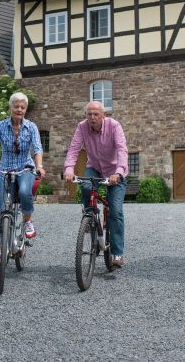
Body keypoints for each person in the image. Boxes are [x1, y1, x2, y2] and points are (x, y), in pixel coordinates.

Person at [0, 92, 46, 265]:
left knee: (24, 192)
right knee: (3, 210)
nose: (19, 110)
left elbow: (37, 148)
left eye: (22, 107)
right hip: (5, 170)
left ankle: (28, 221)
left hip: (25, 168)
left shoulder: (31, 127)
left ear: (25, 109)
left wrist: (39, 166)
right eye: (16, 107)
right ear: (10, 108)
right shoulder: (0, 126)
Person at [63, 101, 129, 268]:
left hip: (115, 171)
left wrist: (119, 172)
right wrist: (69, 169)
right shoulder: (82, 127)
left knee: (115, 211)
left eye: (96, 114)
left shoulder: (114, 126)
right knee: (86, 187)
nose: (92, 117)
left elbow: (122, 150)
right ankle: (90, 217)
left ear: (103, 115)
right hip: (94, 168)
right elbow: (74, 149)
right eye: (89, 114)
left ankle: (117, 253)